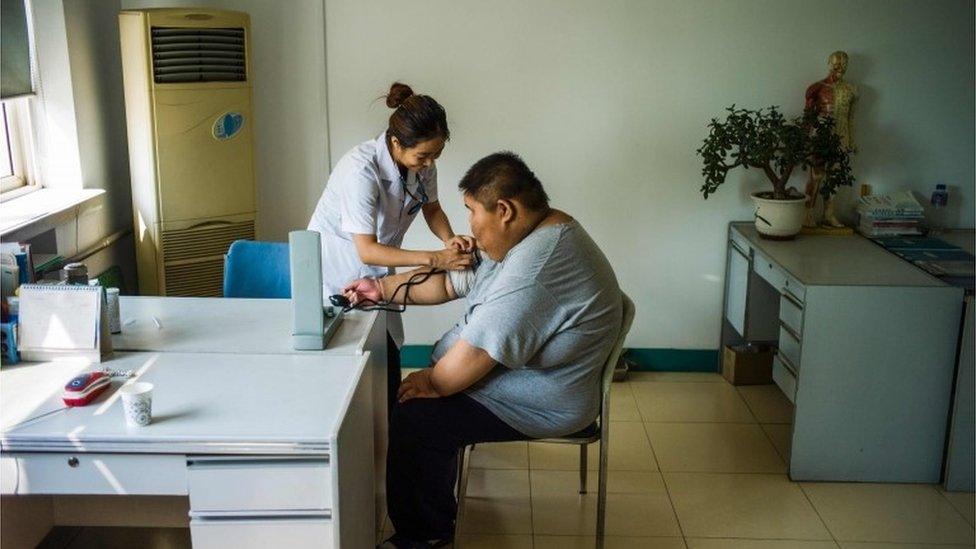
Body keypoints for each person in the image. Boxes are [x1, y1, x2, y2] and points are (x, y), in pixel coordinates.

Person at [344, 152, 623, 548]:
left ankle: (425, 538)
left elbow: (474, 357)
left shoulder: (537, 266)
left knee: (416, 415)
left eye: (472, 212)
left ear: (504, 210)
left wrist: (432, 381)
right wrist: (382, 289)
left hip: (547, 399)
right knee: (424, 396)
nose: (470, 225)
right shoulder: (532, 232)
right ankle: (435, 501)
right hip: (529, 380)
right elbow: (448, 284)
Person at [308, 82, 475, 413]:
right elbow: (367, 251)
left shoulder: (420, 165)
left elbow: (432, 208)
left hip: (378, 274)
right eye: (423, 155)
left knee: (386, 368)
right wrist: (437, 258)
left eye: (436, 155)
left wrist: (449, 239)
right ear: (396, 143)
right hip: (338, 276)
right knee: (352, 382)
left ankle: (387, 445)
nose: (429, 163)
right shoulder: (361, 171)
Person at [803, 51, 858, 227]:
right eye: (836, 64)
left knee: (834, 176)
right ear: (829, 64)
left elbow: (851, 118)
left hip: (840, 137)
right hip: (820, 137)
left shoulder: (852, 90)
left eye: (843, 64)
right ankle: (808, 213)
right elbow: (808, 118)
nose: (839, 67)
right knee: (816, 175)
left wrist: (851, 140)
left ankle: (829, 213)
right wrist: (804, 141)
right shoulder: (816, 88)